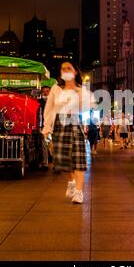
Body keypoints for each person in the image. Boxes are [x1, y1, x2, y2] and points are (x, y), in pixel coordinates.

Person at [43, 62, 95, 204]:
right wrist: (47, 127)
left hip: (74, 122)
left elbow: (88, 106)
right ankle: (71, 182)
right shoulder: (56, 89)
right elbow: (49, 108)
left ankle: (79, 192)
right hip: (59, 124)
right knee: (61, 159)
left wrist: (79, 94)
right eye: (63, 69)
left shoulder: (81, 90)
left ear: (75, 71)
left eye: (68, 68)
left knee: (78, 158)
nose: (65, 70)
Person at [39, 86, 51, 169]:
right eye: (44, 91)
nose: (46, 93)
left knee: (54, 145)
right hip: (44, 126)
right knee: (44, 144)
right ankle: (45, 163)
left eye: (47, 91)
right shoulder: (40, 102)